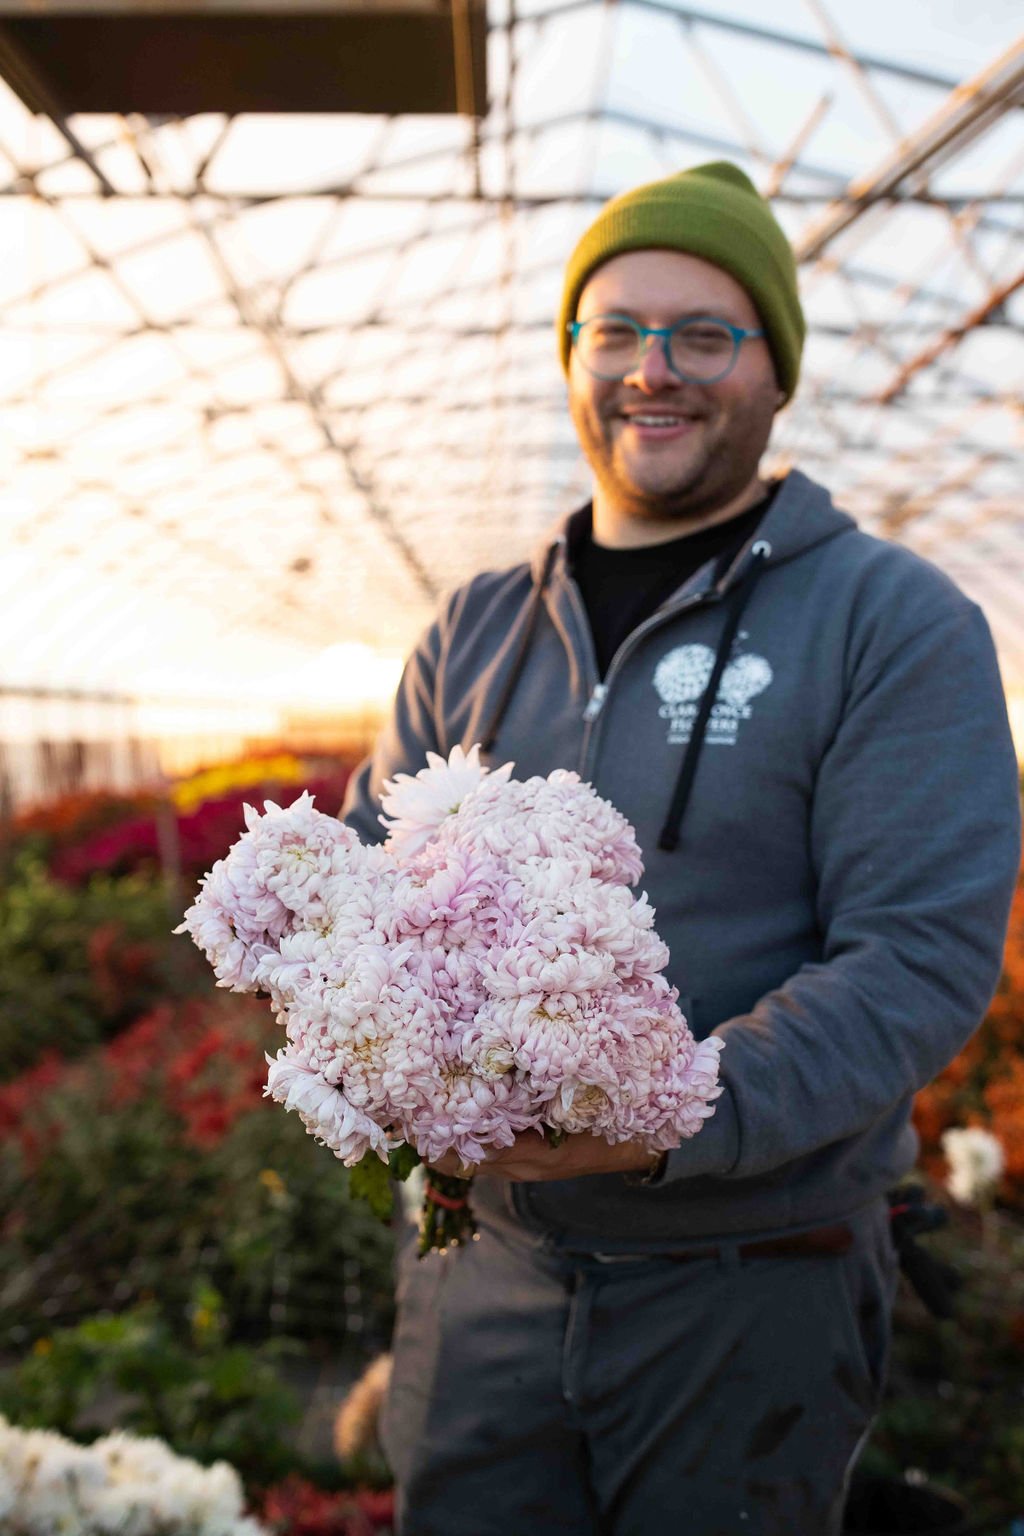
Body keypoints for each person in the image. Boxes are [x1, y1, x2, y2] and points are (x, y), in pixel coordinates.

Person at [341, 161, 1021, 1536]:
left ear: (777, 372)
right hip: (486, 1278)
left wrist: (662, 1123)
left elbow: (916, 959)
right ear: (571, 359)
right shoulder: (477, 628)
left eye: (704, 334)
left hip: (750, 1281)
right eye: (617, 331)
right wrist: (317, 995)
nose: (655, 370)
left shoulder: (890, 623)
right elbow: (365, 888)